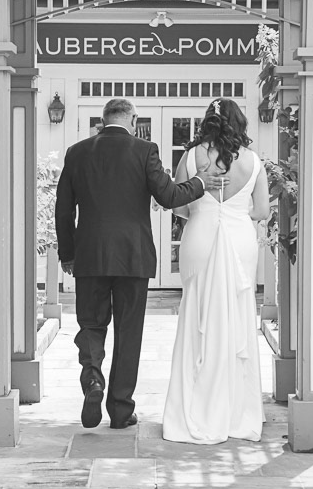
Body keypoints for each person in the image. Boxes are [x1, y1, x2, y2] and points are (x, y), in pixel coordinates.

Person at [55, 98, 221, 429]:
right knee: (128, 333)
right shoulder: (145, 150)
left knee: (91, 324)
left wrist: (68, 254)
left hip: (90, 255)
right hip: (133, 257)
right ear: (132, 120)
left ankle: (92, 377)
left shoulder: (77, 152)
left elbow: (63, 208)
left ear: (104, 120)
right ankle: (120, 410)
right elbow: (168, 197)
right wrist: (201, 182)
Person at [162, 98, 270, 444]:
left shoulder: (192, 156)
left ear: (207, 122)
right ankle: (237, 411)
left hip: (200, 235)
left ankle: (196, 406)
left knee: (197, 314)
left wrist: (206, 209)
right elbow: (262, 211)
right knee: (238, 314)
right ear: (239, 123)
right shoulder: (253, 161)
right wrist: (236, 213)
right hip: (240, 239)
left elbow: (179, 206)